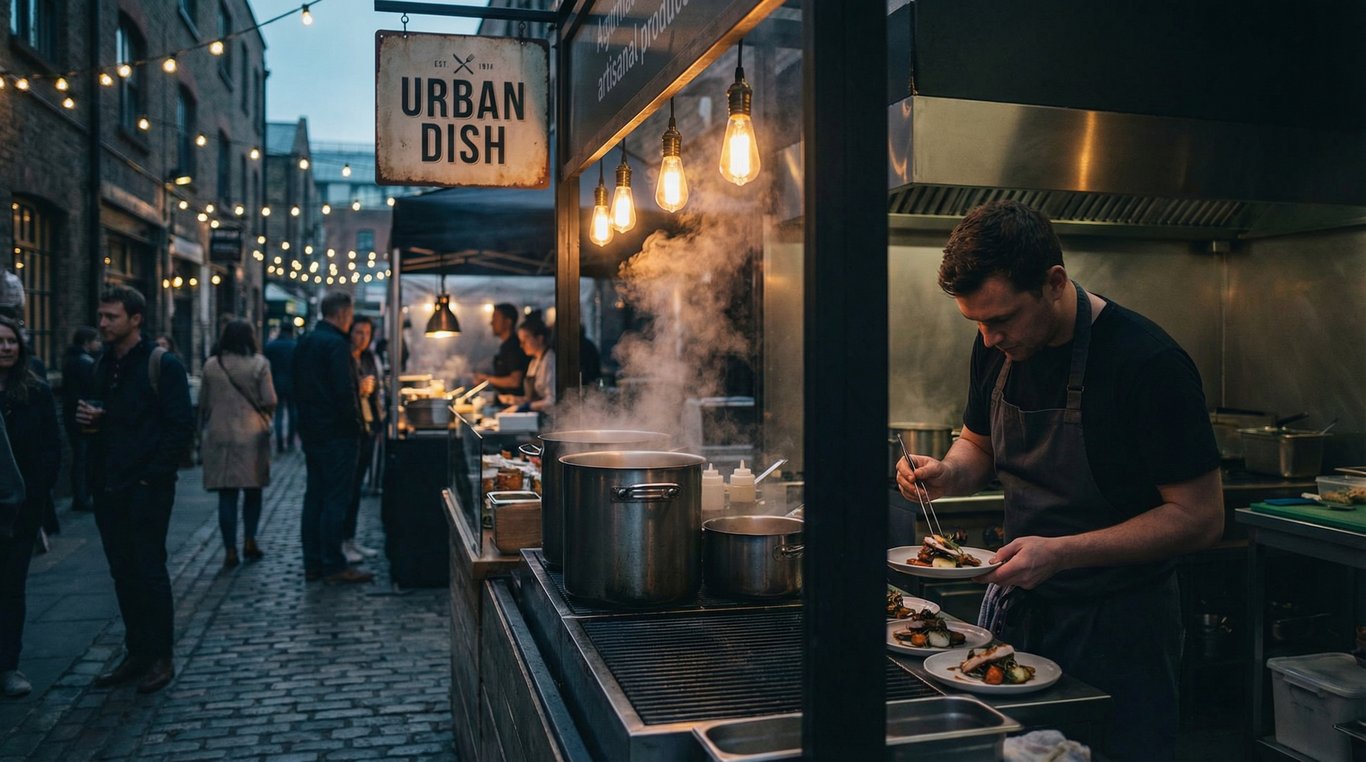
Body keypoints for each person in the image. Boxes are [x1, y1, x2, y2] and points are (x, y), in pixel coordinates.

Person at [896, 200, 1223, 761]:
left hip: (1121, 627)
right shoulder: (995, 346)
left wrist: (1063, 553)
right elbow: (978, 443)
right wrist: (948, 473)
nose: (989, 336)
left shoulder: (1146, 363)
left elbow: (1200, 517)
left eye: (1000, 319)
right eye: (975, 322)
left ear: (1053, 283)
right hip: (1025, 614)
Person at [76, 286, 193, 694]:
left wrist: (151, 478)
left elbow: (180, 427)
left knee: (149, 571)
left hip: (146, 488)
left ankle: (161, 655)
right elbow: (106, 423)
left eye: (111, 317)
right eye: (102, 316)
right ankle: (137, 651)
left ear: (136, 319)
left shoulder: (163, 365)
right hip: (109, 485)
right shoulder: (101, 364)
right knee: (122, 573)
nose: (103, 323)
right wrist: (90, 422)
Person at [293, 293, 371, 584]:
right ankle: (334, 565)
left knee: (314, 497)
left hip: (313, 432)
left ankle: (313, 562)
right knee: (335, 500)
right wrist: (355, 426)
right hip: (338, 434)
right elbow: (344, 394)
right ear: (342, 314)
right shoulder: (336, 345)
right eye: (350, 316)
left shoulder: (306, 342)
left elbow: (295, 387)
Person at [0, 315, 58, 697]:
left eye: (11, 341)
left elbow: (52, 449)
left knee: (11, 589)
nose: (5, 347)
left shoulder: (35, 391)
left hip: (19, 512)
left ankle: (8, 666)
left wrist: (34, 500)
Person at [200, 320, 277, 569]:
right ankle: (250, 540)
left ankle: (230, 549)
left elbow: (203, 402)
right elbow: (269, 399)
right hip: (251, 435)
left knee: (227, 493)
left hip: (220, 434)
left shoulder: (212, 365)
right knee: (253, 491)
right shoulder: (259, 364)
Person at [343, 316, 383, 563]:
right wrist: (358, 388)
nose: (363, 338)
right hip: (351, 429)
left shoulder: (368, 359)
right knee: (348, 489)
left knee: (357, 488)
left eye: (367, 333)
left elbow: (376, 394)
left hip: (368, 427)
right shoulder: (345, 358)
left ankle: (350, 539)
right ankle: (342, 541)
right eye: (358, 332)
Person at [61, 327, 101, 512]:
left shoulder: (70, 360)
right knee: (82, 457)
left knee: (81, 455)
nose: (98, 344)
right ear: (87, 342)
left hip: (72, 414)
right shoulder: (85, 363)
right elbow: (93, 388)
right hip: (83, 414)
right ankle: (81, 497)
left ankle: (81, 495)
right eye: (96, 340)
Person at [498, 319, 555, 414]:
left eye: (525, 340)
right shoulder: (533, 362)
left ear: (539, 339)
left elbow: (551, 400)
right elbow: (532, 398)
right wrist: (514, 400)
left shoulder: (550, 361)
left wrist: (526, 406)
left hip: (546, 418)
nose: (521, 345)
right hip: (533, 417)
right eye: (520, 341)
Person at [472, 303, 529, 396]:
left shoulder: (514, 346)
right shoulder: (506, 346)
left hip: (516, 402)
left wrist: (486, 378)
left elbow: (515, 381)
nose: (491, 323)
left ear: (508, 322)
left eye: (495, 318)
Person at [264, 324, 299, 453]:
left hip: (275, 383)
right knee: (292, 413)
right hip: (292, 384)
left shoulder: (271, 346)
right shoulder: (295, 346)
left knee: (278, 414)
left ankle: (279, 443)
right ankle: (290, 442)